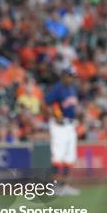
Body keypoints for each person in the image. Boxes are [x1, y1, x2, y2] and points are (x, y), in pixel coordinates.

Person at [44, 66, 80, 195]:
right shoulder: (57, 88)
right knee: (58, 157)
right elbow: (46, 103)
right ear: (64, 76)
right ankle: (54, 187)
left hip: (70, 125)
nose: (72, 78)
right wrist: (54, 115)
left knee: (69, 157)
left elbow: (72, 106)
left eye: (73, 76)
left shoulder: (72, 88)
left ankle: (64, 186)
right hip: (59, 126)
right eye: (70, 76)